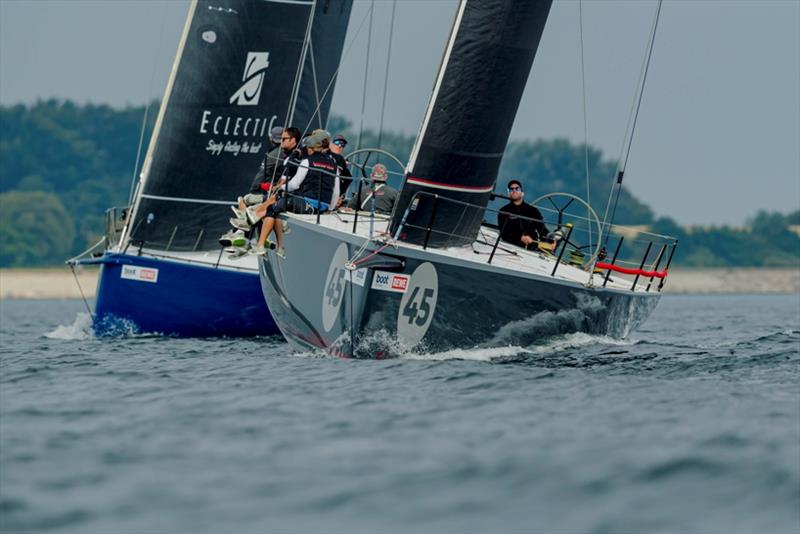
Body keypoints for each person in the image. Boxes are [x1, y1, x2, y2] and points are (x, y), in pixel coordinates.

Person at [252, 130, 340, 256]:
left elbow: (294, 185)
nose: (308, 150)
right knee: (279, 206)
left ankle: (261, 244)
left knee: (273, 208)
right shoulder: (334, 165)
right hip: (323, 207)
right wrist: (328, 209)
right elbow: (336, 192)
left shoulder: (307, 161)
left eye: (309, 147)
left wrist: (281, 188)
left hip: (306, 205)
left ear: (314, 148)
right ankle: (278, 244)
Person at [497, 179, 550, 250]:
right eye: (511, 189)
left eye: (517, 188)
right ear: (509, 194)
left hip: (531, 250)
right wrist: (521, 238)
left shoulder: (533, 210)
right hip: (509, 247)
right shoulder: (503, 211)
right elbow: (504, 234)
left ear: (522, 193)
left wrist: (550, 240)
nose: (514, 190)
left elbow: (543, 230)